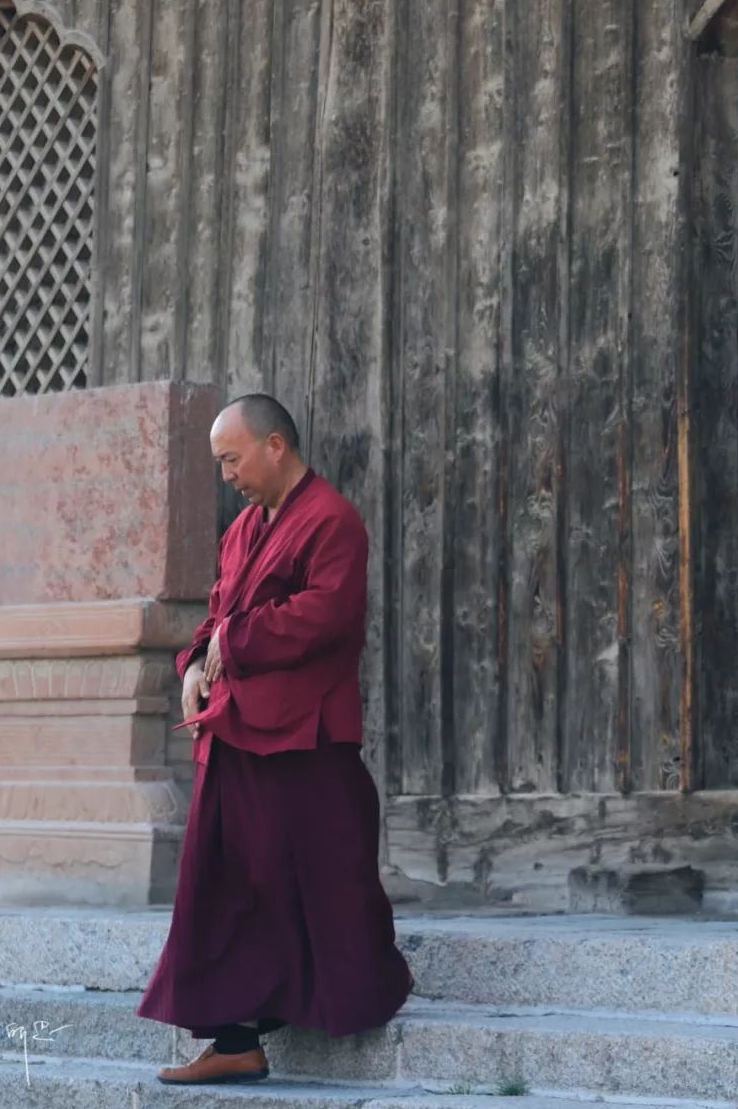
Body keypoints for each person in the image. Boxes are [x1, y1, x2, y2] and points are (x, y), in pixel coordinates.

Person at [138, 393, 413, 1086]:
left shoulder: (332, 521)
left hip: (305, 733)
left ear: (275, 447)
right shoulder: (242, 532)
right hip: (237, 732)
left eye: (231, 458)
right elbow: (219, 611)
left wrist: (235, 641)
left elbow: (324, 615)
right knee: (228, 883)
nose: (225, 473)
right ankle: (235, 1038)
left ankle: (352, 991)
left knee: (322, 874)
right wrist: (197, 662)